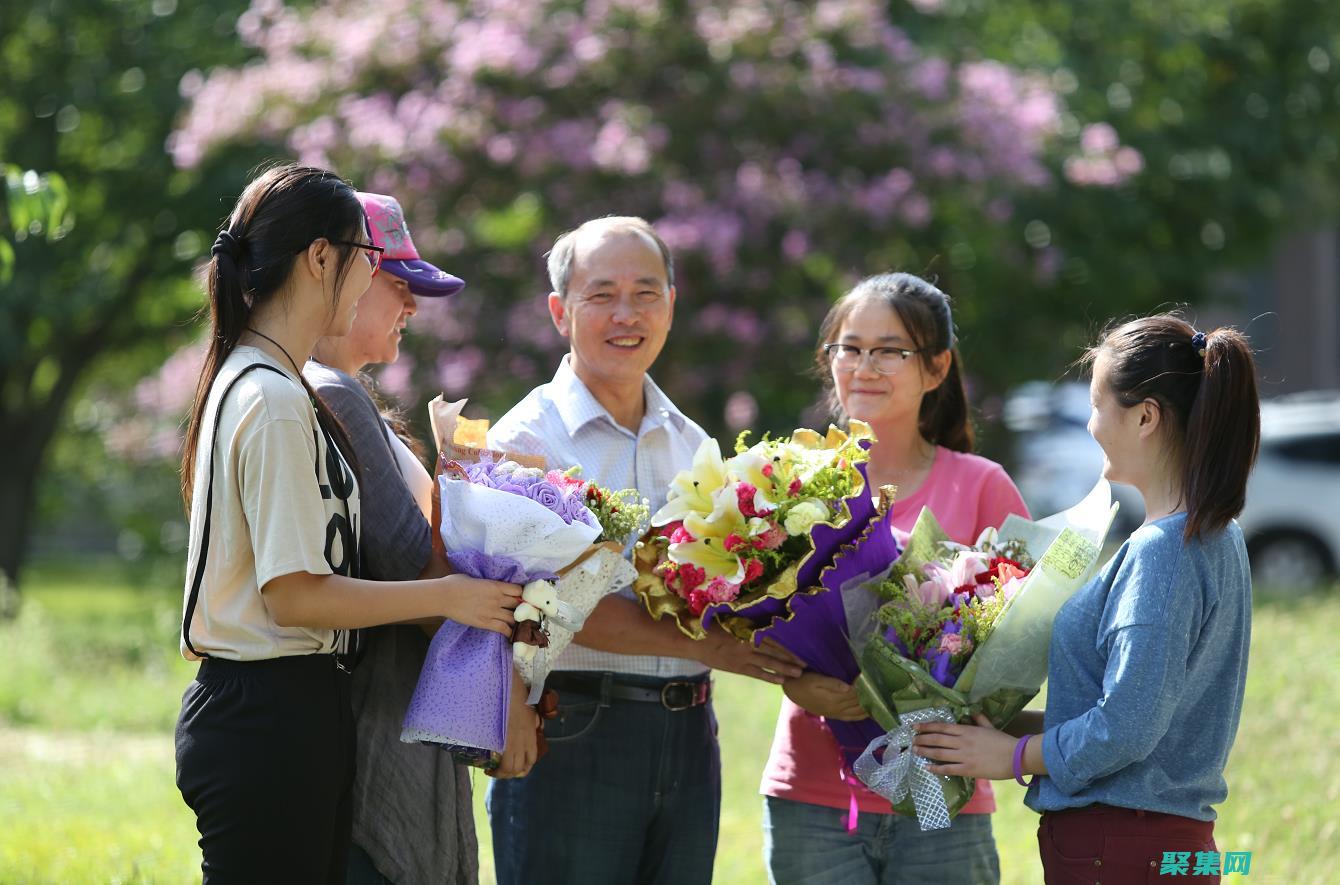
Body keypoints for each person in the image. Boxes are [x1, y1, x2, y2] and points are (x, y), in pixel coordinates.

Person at [174, 165, 521, 884]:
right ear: (320, 259)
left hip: (290, 704)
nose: (375, 281)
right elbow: (296, 595)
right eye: (368, 260)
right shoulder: (269, 396)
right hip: (266, 706)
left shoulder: (276, 381)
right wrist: (449, 595)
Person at [484, 216, 805, 885]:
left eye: (646, 292)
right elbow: (549, 606)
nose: (625, 313)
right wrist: (708, 647)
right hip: (571, 731)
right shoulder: (526, 442)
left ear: (671, 304)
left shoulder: (691, 443)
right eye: (601, 294)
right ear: (559, 311)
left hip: (689, 736)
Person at [912, 314, 1259, 884]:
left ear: (1146, 415)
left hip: (1122, 847)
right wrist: (1010, 729)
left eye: (1098, 405)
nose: (1091, 424)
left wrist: (1014, 759)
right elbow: (1147, 713)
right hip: (1168, 849)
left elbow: (1127, 727)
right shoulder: (1218, 536)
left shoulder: (1162, 551)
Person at [760, 272, 1029, 884]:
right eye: (849, 348)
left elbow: (1022, 637)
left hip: (941, 794)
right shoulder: (786, 487)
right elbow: (755, 618)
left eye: (890, 351)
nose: (864, 366)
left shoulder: (982, 486)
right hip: (813, 794)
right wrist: (795, 681)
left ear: (935, 370)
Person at [302, 191, 498, 885]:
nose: (412, 306)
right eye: (398, 285)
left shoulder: (341, 390)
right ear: (341, 277)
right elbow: (409, 560)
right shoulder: (334, 391)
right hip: (380, 716)